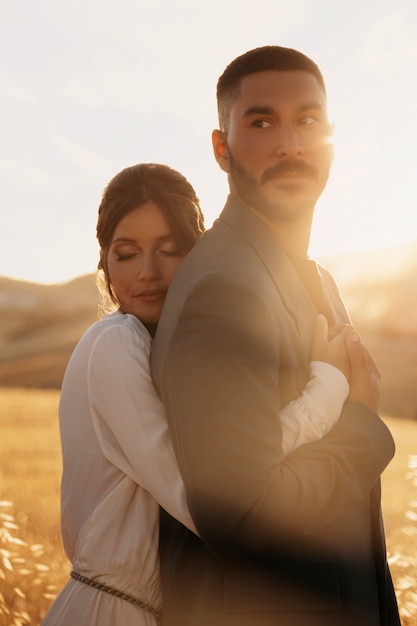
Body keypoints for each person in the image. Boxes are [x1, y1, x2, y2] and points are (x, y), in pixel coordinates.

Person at [151, 46, 401, 625]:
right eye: (261, 122)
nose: (290, 144)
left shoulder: (317, 278)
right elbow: (239, 514)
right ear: (222, 148)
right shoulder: (222, 288)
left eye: (307, 120)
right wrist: (363, 425)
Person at [40, 162, 352, 626]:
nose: (148, 272)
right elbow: (210, 495)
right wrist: (327, 389)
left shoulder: (162, 349)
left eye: (170, 250)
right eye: (126, 253)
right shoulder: (115, 341)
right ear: (104, 262)